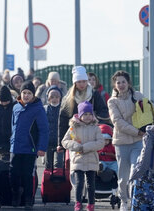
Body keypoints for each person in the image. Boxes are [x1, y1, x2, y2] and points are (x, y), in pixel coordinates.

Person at [107, 70, 145, 211]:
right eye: (118, 82)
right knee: (123, 176)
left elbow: (151, 110)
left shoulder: (138, 96)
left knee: (135, 171)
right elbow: (118, 122)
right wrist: (137, 131)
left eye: (124, 82)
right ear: (115, 85)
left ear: (128, 83)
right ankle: (124, 201)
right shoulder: (112, 101)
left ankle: (135, 199)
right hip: (122, 142)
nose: (121, 85)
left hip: (138, 141)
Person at [10, 81, 49, 208]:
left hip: (30, 148)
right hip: (15, 147)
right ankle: (16, 194)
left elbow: (44, 129)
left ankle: (28, 199)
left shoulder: (38, 109)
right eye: (24, 93)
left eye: (29, 93)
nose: (26, 95)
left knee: (27, 175)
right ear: (20, 93)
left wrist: (42, 148)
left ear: (33, 95)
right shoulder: (15, 107)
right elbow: (13, 126)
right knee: (14, 173)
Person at [61, 101, 104, 211]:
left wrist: (86, 147)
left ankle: (91, 204)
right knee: (79, 183)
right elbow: (65, 141)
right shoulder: (73, 128)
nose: (88, 117)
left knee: (91, 185)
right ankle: (78, 203)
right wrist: (76, 146)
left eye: (90, 114)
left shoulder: (96, 128)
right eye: (85, 114)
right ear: (80, 115)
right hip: (78, 159)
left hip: (91, 159)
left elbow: (100, 143)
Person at [58, 66, 109, 152]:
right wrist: (60, 144)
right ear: (75, 83)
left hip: (91, 135)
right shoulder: (69, 98)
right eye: (79, 82)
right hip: (75, 137)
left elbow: (103, 111)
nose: (82, 84)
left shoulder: (94, 94)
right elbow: (63, 120)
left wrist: (94, 119)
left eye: (84, 81)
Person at [43, 85, 63, 169]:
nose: (54, 99)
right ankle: (48, 180)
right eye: (52, 97)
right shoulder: (45, 109)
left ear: (60, 98)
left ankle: (58, 180)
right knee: (48, 163)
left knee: (59, 163)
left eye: (56, 97)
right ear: (48, 98)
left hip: (60, 140)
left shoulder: (63, 109)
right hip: (48, 140)